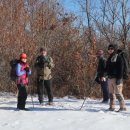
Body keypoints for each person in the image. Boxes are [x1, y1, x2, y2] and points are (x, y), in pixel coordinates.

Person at [106, 44, 126, 111]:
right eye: (109, 49)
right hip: (110, 78)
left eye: (112, 48)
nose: (110, 50)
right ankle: (112, 107)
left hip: (116, 78)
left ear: (114, 49)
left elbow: (121, 68)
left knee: (118, 93)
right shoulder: (109, 58)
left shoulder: (118, 57)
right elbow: (107, 68)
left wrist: (119, 78)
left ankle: (123, 107)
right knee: (111, 94)